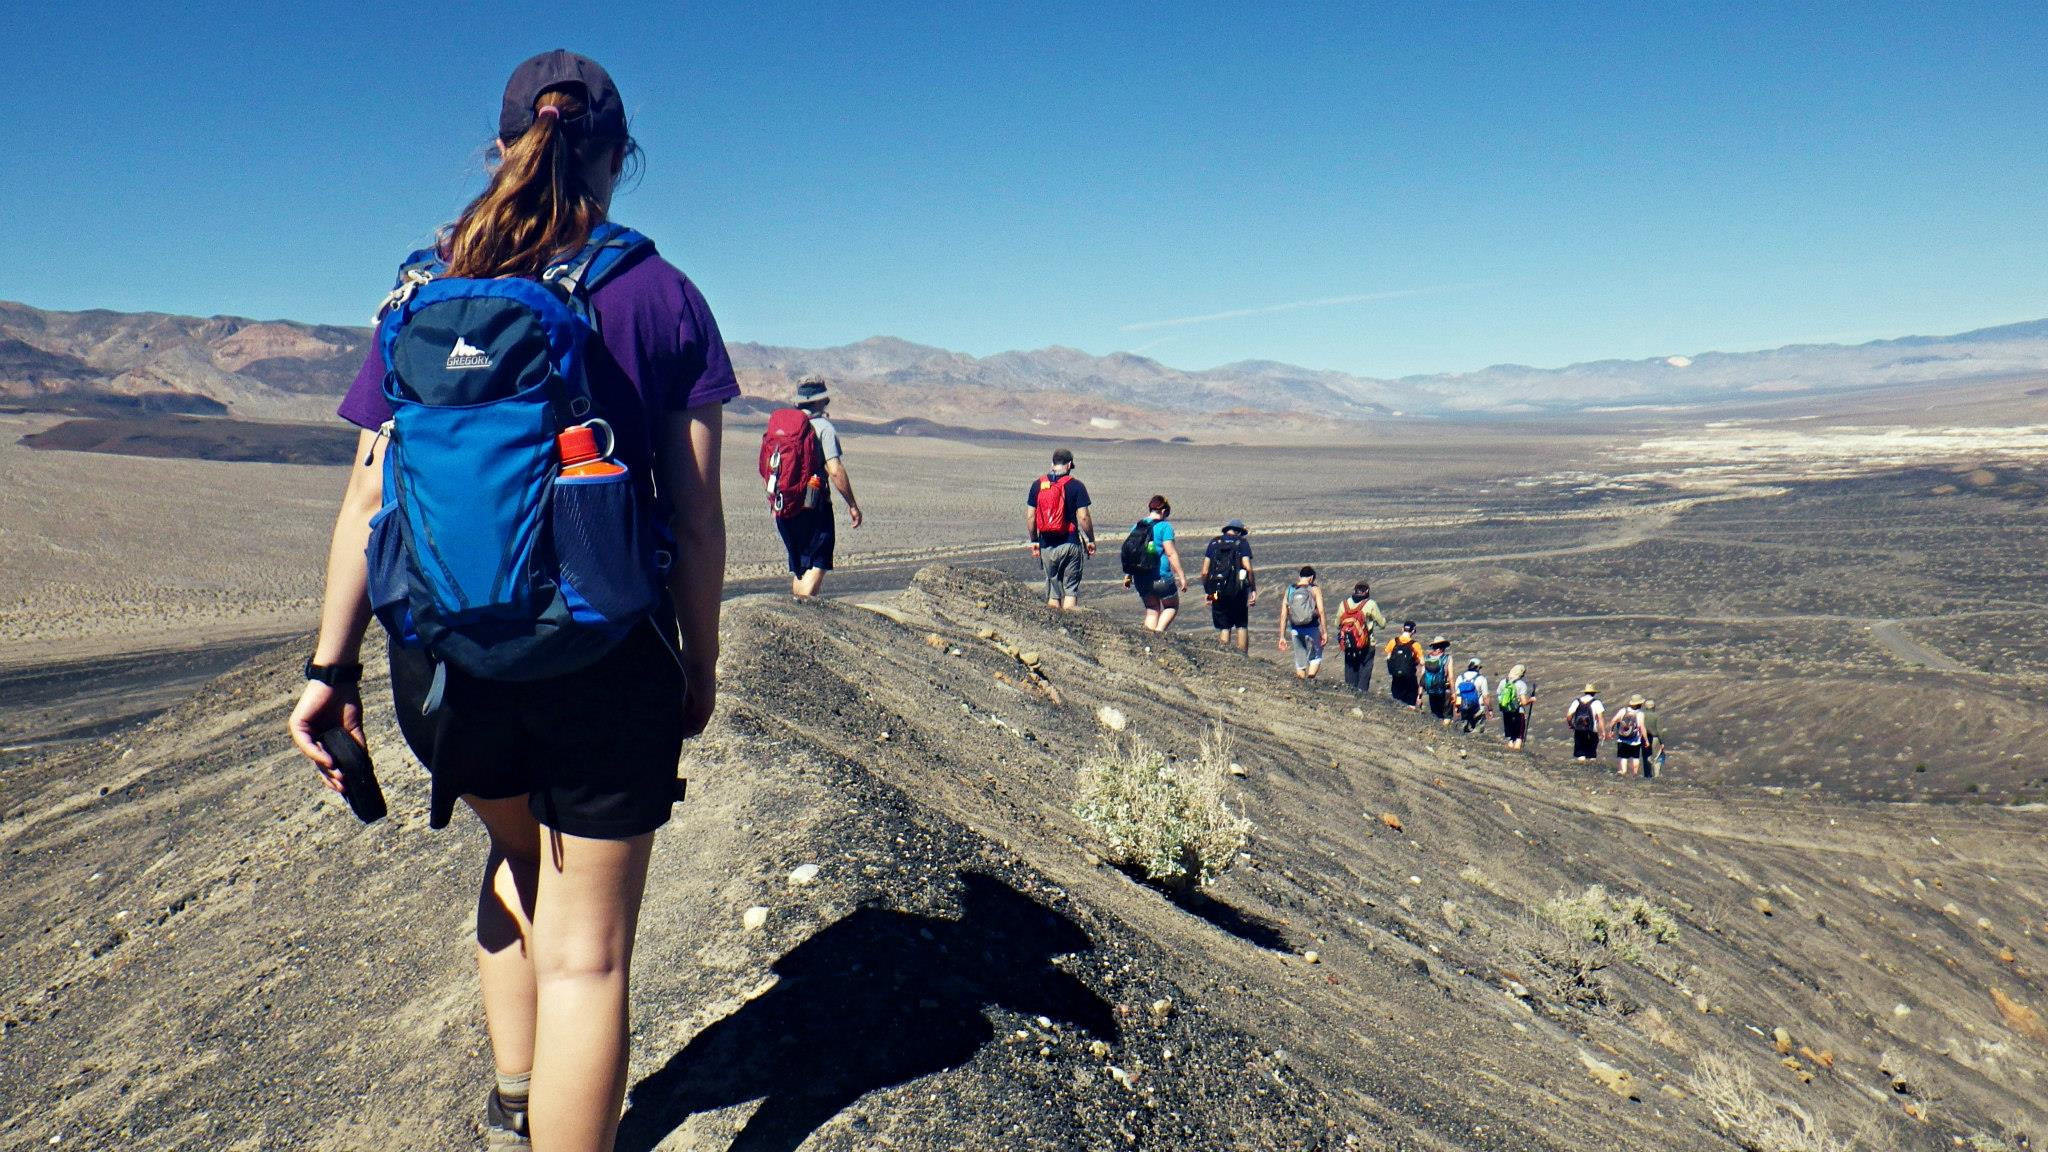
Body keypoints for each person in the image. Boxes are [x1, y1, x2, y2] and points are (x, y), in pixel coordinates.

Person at [288, 52, 733, 1152]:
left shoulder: (416, 294)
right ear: (618, 158)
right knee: (587, 952)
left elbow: (364, 499)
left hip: (444, 666)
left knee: (518, 857)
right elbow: (700, 517)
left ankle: (512, 1102)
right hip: (604, 662)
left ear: (502, 148)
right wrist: (701, 664)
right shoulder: (659, 295)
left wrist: (325, 671)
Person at [780, 375, 862, 598]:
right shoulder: (822, 427)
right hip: (813, 506)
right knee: (818, 561)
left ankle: (797, 610)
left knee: (800, 568)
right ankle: (805, 619)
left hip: (784, 505)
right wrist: (852, 505)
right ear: (819, 401)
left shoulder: (787, 427)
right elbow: (834, 470)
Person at [1026, 448, 1095, 611]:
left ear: (1052, 464)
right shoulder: (1077, 486)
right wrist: (1091, 539)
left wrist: (1034, 540)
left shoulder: (1038, 485)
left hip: (1046, 545)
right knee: (1070, 591)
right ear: (1070, 464)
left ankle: (1055, 632)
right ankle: (1072, 627)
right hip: (1070, 543)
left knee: (1053, 593)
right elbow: (1083, 516)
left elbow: (1030, 517)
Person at [1123, 495, 1186, 632]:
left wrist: (1128, 575)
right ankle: (1159, 635)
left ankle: (1149, 642)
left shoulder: (1137, 526)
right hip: (1161, 576)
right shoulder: (1165, 527)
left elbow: (1133, 552)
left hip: (1140, 577)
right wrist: (1181, 575)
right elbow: (1170, 553)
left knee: (1152, 609)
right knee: (1171, 607)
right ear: (1163, 511)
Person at [1200, 519, 1258, 651]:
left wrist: (1208, 592)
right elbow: (1248, 568)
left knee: (1224, 626)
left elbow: (1204, 572)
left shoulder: (1214, 542)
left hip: (1216, 591)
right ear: (1239, 532)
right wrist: (1252, 590)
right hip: (1238, 590)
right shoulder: (1241, 543)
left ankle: (1226, 657)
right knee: (1241, 624)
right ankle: (1243, 658)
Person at [1275, 566, 1328, 680]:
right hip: (1312, 628)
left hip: (1295, 629)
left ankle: (1302, 685)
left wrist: (1282, 637)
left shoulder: (1290, 589)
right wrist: (1324, 632)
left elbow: (1284, 614)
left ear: (1299, 577)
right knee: (1315, 657)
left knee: (1300, 660)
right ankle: (1310, 679)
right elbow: (1321, 611)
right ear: (1312, 578)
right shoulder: (1314, 589)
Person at [1334, 582, 1386, 693]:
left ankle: (1350, 695)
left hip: (1349, 644)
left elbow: (1337, 624)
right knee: (1365, 672)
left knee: (1350, 671)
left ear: (1354, 590)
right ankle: (1362, 696)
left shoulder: (1344, 604)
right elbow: (1382, 624)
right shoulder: (1371, 604)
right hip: (1367, 644)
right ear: (1367, 591)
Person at [1385, 622, 1424, 710]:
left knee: (1396, 704)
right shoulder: (1415, 645)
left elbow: (1388, 657)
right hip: (1410, 678)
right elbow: (1422, 662)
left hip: (1396, 678)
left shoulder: (1393, 642)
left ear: (1402, 629)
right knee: (1410, 704)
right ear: (1413, 631)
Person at [1611, 694, 1650, 777]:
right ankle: (1634, 773)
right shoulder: (1640, 713)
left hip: (1622, 738)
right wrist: (1646, 740)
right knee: (1635, 757)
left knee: (1623, 756)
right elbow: (1641, 727)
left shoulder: (1623, 711)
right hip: (1635, 740)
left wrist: (1611, 731)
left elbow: (1613, 720)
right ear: (1640, 704)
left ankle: (1623, 771)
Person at [1497, 664, 1534, 749]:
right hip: (1518, 711)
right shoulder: (1521, 684)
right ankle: (1517, 753)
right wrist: (1531, 699)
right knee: (1519, 736)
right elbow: (1524, 702)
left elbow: (1499, 696)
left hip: (1506, 711)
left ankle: (1510, 752)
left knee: (1510, 737)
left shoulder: (1503, 682)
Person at [1566, 683, 1606, 762]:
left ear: (1585, 692)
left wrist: (1571, 724)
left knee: (1580, 753)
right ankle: (1592, 770)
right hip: (1592, 730)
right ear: (1594, 693)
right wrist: (1603, 731)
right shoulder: (1597, 702)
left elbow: (1568, 716)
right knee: (1592, 754)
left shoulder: (1576, 701)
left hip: (1579, 730)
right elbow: (1600, 718)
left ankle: (1582, 768)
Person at [1422, 636, 1455, 725]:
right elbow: (1451, 677)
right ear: (1444, 646)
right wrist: (1453, 693)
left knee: (1436, 715)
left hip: (1431, 691)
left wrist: (1419, 694)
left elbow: (1423, 676)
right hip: (1445, 690)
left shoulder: (1426, 658)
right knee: (1447, 716)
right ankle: (1446, 733)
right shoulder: (1447, 658)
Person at [1455, 659, 1492, 734]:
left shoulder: (1460, 677)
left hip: (1463, 706)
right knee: (1478, 728)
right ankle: (1476, 734)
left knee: (1465, 728)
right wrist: (1490, 709)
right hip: (1477, 707)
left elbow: (1457, 695)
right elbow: (1486, 697)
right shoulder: (1481, 679)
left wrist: (1457, 708)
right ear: (1478, 668)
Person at [1642, 697, 1666, 776]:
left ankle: (1647, 774)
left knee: (1646, 756)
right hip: (1655, 739)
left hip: (1644, 738)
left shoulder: (1642, 715)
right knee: (1657, 756)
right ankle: (1656, 774)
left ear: (1645, 707)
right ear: (1654, 706)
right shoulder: (1657, 716)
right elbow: (1659, 730)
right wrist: (1662, 742)